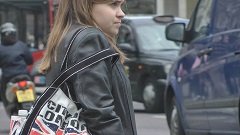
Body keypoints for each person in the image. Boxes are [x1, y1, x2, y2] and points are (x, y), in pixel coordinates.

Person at [38, 0, 137, 135]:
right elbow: (100, 115)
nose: (121, 14)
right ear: (86, 6)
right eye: (113, 4)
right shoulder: (89, 39)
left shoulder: (66, 37)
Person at [0, 22, 33, 111]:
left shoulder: (1, 48)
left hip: (8, 78)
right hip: (25, 77)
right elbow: (30, 61)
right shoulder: (21, 45)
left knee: (4, 96)